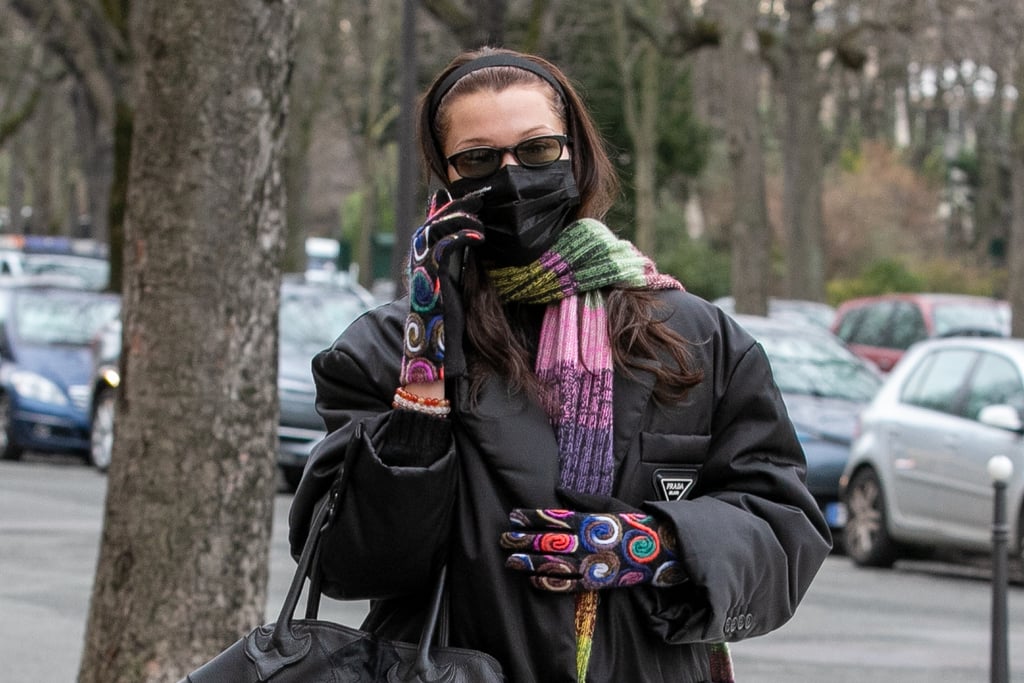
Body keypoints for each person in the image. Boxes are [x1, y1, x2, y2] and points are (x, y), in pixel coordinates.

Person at [289, 46, 831, 683]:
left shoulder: (695, 337)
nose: (513, 177)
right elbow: (354, 563)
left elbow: (782, 524)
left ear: (576, 154)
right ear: (446, 179)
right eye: (479, 160)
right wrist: (425, 366)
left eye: (538, 150)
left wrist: (653, 546)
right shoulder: (383, 347)